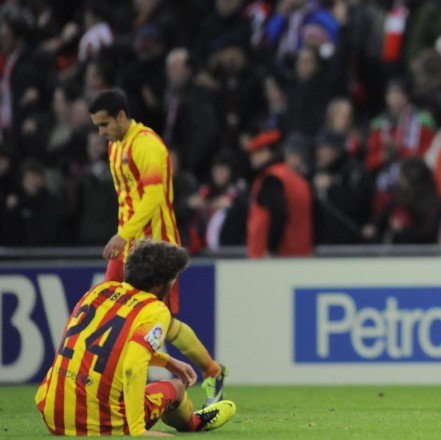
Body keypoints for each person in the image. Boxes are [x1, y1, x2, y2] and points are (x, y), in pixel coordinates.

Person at [88, 89, 227, 406]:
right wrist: (123, 237)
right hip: (128, 244)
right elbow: (129, 198)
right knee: (106, 315)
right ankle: (108, 387)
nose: (101, 132)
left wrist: (124, 234)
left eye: (105, 124)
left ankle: (213, 372)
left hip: (156, 248)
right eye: (97, 126)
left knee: (160, 322)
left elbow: (153, 197)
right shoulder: (116, 146)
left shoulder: (147, 144)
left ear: (122, 116)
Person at [35, 239, 236, 436]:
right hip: (98, 425)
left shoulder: (99, 291)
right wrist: (138, 430)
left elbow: (96, 345)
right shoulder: (154, 309)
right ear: (158, 285)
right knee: (175, 387)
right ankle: (194, 422)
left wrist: (166, 361)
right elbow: (133, 366)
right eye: (173, 278)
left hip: (52, 414)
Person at [245, 129, 313, 258]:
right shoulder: (299, 180)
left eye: (256, 153)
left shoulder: (272, 178)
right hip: (300, 255)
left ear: (267, 152)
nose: (252, 158)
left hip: (275, 258)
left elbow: (279, 214)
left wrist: (271, 249)